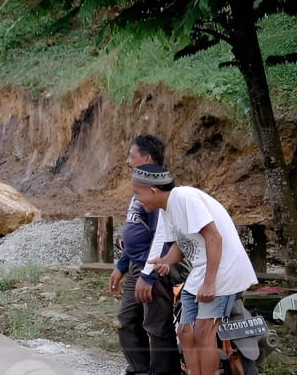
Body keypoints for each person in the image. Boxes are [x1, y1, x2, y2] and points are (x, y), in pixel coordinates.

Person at [134, 164, 258, 375]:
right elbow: (182, 244)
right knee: (185, 332)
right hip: (201, 271)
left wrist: (210, 283)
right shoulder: (166, 208)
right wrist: (166, 261)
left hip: (222, 270)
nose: (137, 199)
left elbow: (214, 237)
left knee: (203, 331)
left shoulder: (185, 198)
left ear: (153, 191)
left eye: (138, 193)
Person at [110, 135, 178, 375]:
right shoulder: (140, 187)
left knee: (157, 326)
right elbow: (136, 230)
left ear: (147, 158)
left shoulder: (158, 190)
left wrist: (148, 276)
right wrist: (122, 265)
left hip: (154, 266)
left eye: (131, 156)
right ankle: (140, 370)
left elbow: (162, 237)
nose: (127, 161)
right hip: (136, 265)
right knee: (127, 321)